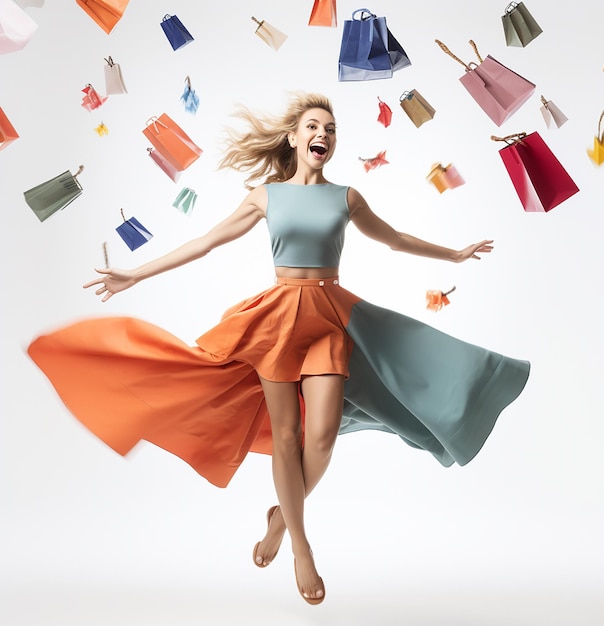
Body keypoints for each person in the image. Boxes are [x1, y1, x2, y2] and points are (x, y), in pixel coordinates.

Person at [28, 92, 530, 605]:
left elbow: (395, 239)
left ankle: (278, 517)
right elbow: (206, 242)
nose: (324, 135)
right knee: (287, 438)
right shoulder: (266, 196)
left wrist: (454, 253)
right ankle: (300, 545)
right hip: (278, 323)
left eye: (332, 129)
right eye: (315, 126)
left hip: (330, 319)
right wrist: (135, 272)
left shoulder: (346, 197)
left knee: (323, 438)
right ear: (294, 137)